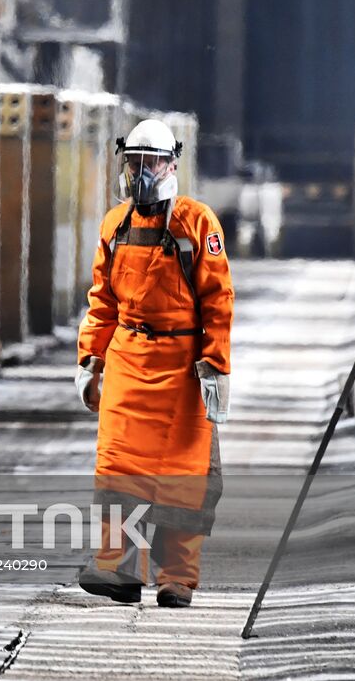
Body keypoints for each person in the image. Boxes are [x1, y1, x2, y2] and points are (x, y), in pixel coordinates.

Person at [74, 118, 234, 608]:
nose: (142, 172)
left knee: (183, 480)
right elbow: (102, 301)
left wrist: (215, 364)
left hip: (183, 368)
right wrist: (90, 358)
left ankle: (176, 580)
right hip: (127, 360)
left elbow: (219, 299)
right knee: (118, 469)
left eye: (152, 162)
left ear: (171, 163)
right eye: (134, 162)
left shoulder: (197, 222)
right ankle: (117, 570)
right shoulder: (115, 224)